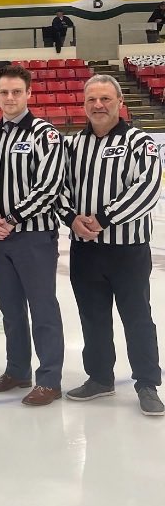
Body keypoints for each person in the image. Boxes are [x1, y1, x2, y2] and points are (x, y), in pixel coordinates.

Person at [60, 74, 164, 416]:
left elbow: (147, 188)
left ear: (120, 103)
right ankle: (100, 377)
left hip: (127, 249)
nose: (98, 105)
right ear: (84, 105)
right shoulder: (73, 145)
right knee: (92, 317)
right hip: (85, 249)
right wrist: (72, 217)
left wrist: (103, 218)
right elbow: (59, 188)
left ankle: (147, 383)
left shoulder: (140, 142)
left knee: (137, 317)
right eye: (91, 99)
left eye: (105, 98)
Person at [0, 65, 65, 406]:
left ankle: (50, 379)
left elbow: (50, 186)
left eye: (16, 92)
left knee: (42, 309)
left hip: (33, 237)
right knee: (10, 309)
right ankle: (17, 370)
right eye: (3, 93)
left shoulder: (45, 134)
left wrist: (11, 218)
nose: (9, 98)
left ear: (29, 94)